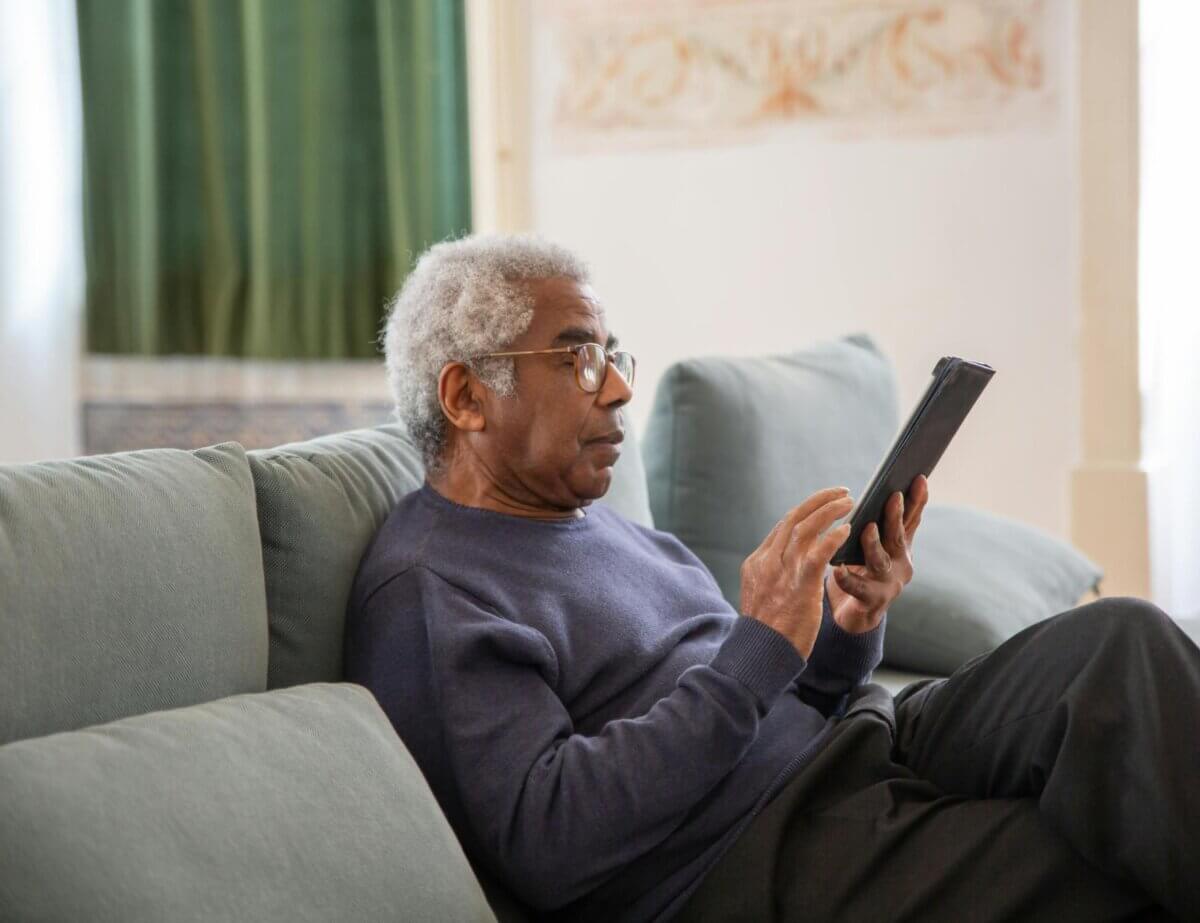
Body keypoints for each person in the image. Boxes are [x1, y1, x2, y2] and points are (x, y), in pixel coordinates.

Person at [344, 234, 1197, 923]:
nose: (618, 391)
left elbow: (780, 695)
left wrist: (846, 630)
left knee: (1120, 642)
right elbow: (549, 838)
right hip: (759, 850)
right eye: (578, 361)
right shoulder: (434, 589)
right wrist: (752, 649)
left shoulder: (602, 526)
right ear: (466, 396)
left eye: (613, 355)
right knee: (1102, 858)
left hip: (860, 746)